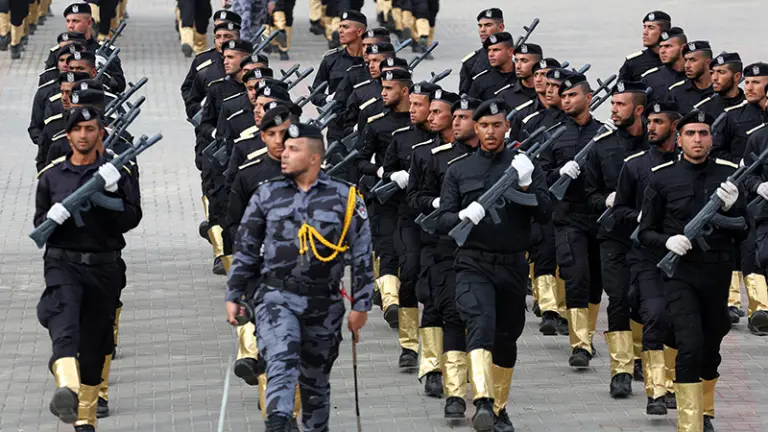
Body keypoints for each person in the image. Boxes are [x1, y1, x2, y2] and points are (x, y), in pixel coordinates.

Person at [226, 122, 374, 431]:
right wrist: (234, 294)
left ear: (314, 158)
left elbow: (362, 254)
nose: (284, 153)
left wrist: (361, 305)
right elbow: (246, 247)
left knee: (315, 383)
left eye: (294, 149)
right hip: (277, 297)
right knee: (281, 361)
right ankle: (278, 423)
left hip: (325, 302)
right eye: (285, 147)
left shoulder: (345, 197)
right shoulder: (267, 194)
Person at [436, 99, 551, 432]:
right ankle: (483, 400)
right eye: (484, 125)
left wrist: (527, 183)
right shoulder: (459, 169)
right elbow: (442, 219)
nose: (490, 132)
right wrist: (462, 214)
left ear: (507, 127)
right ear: (476, 127)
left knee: (507, 337)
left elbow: (545, 213)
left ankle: (498, 409)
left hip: (513, 264)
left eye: (497, 125)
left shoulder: (524, 164)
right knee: (480, 323)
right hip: (473, 262)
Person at [638, 109, 746, 432]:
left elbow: (746, 228)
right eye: (690, 134)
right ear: (678, 139)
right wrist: (668, 241)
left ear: (711, 139)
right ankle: (690, 423)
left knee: (711, 348)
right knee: (690, 345)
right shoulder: (662, 178)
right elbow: (645, 232)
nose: (697, 139)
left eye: (703, 133)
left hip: (717, 273)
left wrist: (732, 208)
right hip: (680, 274)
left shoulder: (729, 176)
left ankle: (705, 412)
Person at [35, 106, 142, 431]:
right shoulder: (52, 175)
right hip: (63, 264)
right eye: (77, 129)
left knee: (95, 349)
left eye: (90, 129)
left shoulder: (116, 172)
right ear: (68, 135)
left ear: (101, 133)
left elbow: (131, 218)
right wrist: (52, 217)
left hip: (103, 266)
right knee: (64, 329)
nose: (83, 135)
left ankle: (85, 421)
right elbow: (39, 224)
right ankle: (67, 389)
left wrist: (111, 192)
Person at [612, 101, 681, 415]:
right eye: (649, 121)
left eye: (658, 122)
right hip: (647, 255)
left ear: (674, 127)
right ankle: (657, 391)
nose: (650, 127)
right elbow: (619, 210)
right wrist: (638, 216)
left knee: (679, 323)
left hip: (685, 257)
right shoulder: (635, 165)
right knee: (655, 316)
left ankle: (676, 384)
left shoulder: (688, 164)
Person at [585, 81, 650, 398]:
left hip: (650, 238)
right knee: (620, 299)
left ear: (639, 109)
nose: (613, 110)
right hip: (615, 236)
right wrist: (606, 200)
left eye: (620, 104)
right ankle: (621, 370)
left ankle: (639, 356)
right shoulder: (602, 146)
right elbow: (590, 194)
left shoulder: (658, 144)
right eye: (612, 104)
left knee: (644, 299)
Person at [538, 73, 604, 368]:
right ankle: (580, 344)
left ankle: (587, 334)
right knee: (576, 277)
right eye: (563, 96)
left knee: (596, 282)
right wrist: (558, 173)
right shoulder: (553, 135)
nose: (566, 100)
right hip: (567, 217)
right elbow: (540, 176)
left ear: (588, 98)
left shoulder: (603, 134)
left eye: (572, 95)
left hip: (599, 217)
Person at [355, 69, 415, 334]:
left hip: (415, 199)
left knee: (410, 255)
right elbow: (360, 160)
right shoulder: (376, 123)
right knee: (387, 249)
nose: (382, 93)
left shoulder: (421, 122)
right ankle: (391, 302)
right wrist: (382, 172)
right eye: (382, 88)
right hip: (386, 197)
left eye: (389, 88)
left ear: (404, 90)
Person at [459, 8, 504, 95]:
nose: (482, 30)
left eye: (488, 25)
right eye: (480, 26)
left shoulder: (517, 58)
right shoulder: (470, 63)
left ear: (500, 27)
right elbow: (464, 96)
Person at [618, 11, 670, 81]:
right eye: (644, 27)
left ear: (664, 33)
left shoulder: (678, 59)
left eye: (651, 28)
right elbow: (621, 87)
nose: (645, 32)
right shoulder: (633, 63)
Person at [467, 32, 518, 101]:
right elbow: (471, 106)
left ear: (510, 51)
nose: (490, 54)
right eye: (489, 50)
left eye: (496, 50)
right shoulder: (481, 81)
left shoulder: (525, 77)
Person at [641, 27, 686, 104]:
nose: (662, 51)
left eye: (668, 46)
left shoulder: (696, 76)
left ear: (683, 48)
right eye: (660, 47)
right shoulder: (650, 79)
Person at [667, 41, 714, 113]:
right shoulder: (676, 92)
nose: (687, 65)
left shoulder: (721, 90)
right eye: (686, 60)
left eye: (693, 60)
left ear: (708, 63)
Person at [695, 52, 745, 116]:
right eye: (712, 73)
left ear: (737, 77)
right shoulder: (704, 108)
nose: (714, 78)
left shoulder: (751, 106)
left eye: (721, 72)